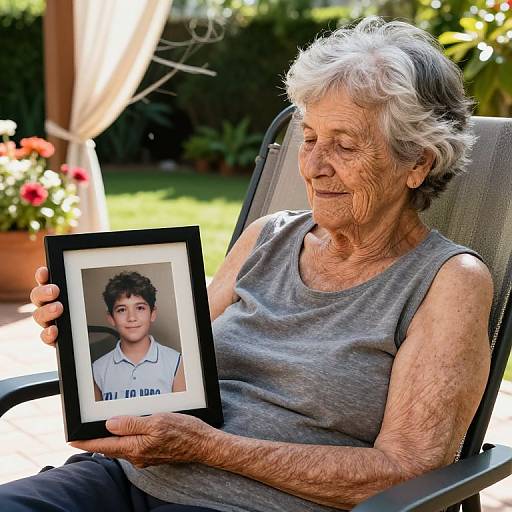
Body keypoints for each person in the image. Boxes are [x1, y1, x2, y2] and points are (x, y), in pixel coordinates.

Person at [2, 16, 493, 512]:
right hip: (124, 477)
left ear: (418, 163)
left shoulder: (447, 283)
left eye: (345, 145)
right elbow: (167, 356)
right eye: (309, 138)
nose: (314, 165)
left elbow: (405, 472)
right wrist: (81, 333)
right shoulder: (268, 237)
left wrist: (209, 448)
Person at [92, 271, 186, 401]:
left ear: (152, 313)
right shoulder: (97, 369)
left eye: (140, 308)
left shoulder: (176, 362)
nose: (132, 318)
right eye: (122, 310)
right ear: (111, 318)